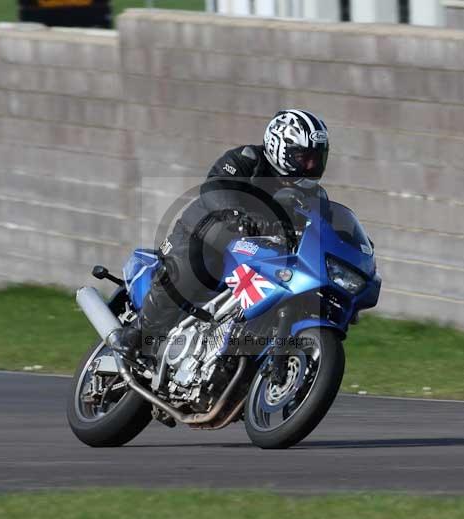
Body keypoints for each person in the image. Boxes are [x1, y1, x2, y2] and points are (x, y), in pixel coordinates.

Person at [114, 109, 331, 359]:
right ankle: (140, 333)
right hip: (207, 233)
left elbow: (323, 227)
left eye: (317, 158)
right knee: (193, 262)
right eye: (304, 157)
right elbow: (215, 187)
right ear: (279, 148)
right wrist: (240, 215)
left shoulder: (315, 196)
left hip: (261, 254)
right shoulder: (246, 159)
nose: (312, 166)